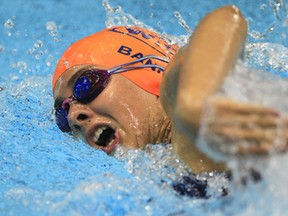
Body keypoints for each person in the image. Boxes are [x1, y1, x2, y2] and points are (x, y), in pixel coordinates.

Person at [52, 6, 288, 174]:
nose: (73, 116)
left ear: (148, 68)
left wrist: (194, 105)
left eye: (85, 84)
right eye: (62, 114)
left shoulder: (190, 127)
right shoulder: (168, 169)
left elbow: (226, 21)